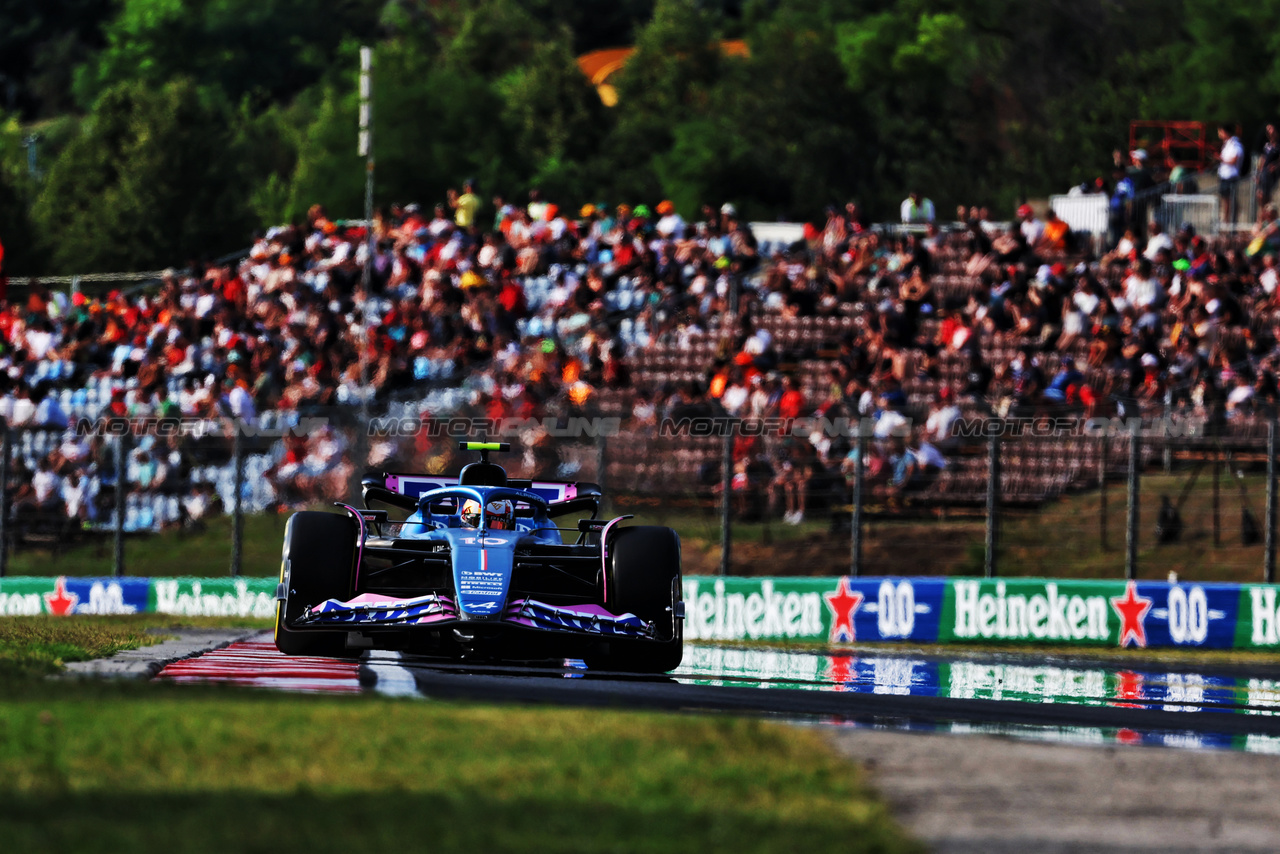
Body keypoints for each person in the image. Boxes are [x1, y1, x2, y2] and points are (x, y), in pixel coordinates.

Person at [1217, 124, 1244, 225]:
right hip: (1224, 176)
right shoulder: (1227, 144)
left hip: (1231, 176)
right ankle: (1227, 220)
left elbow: (1234, 159)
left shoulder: (1234, 144)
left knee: (1230, 200)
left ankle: (1230, 221)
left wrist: (1221, 159)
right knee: (1225, 200)